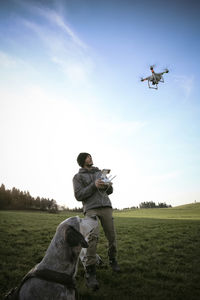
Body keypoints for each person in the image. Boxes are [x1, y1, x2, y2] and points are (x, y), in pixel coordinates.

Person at [73, 152, 120, 290]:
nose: (90, 158)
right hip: (91, 208)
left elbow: (110, 191)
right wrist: (94, 185)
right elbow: (78, 195)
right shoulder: (77, 177)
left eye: (91, 156)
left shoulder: (100, 172)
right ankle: (90, 272)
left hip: (106, 206)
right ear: (82, 161)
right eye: (88, 157)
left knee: (112, 236)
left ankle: (113, 260)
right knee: (92, 238)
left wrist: (107, 184)